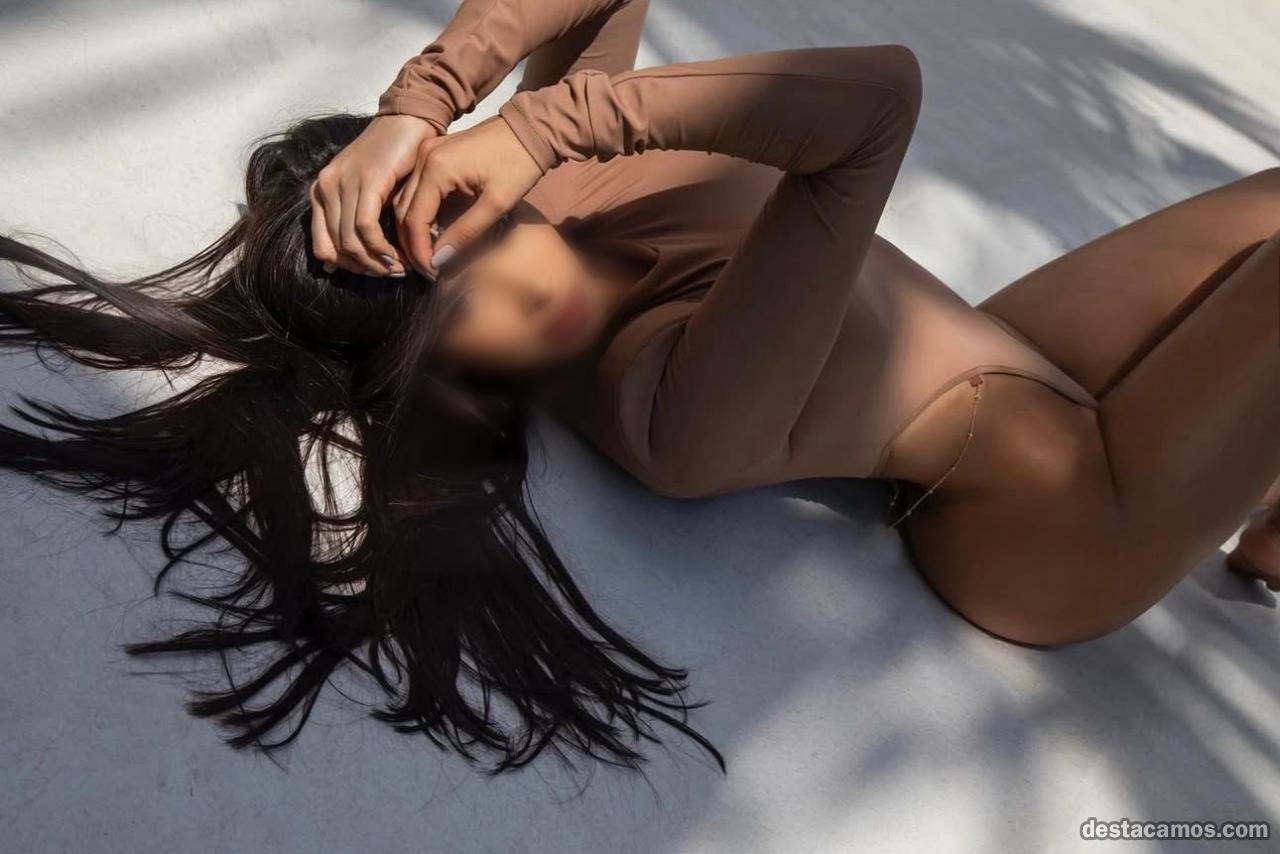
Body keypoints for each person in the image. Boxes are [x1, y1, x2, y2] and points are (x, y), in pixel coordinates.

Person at [1, 0, 1276, 774]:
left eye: (429, 185)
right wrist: (539, 126)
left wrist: (424, 101)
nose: (476, 208)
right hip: (1060, 517)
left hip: (1007, 351)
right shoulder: (663, 405)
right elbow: (878, 97)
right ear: (436, 321)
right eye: (441, 245)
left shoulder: (541, 204)